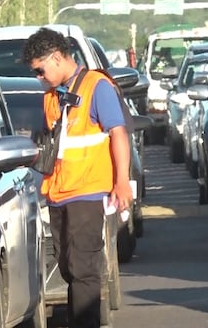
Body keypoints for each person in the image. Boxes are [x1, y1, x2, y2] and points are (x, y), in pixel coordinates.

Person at [21, 27, 132, 328]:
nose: (39, 77)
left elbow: (118, 133)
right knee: (69, 267)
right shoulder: (52, 96)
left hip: (88, 190)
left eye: (40, 70)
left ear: (56, 58)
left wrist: (121, 182)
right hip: (59, 192)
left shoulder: (97, 87)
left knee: (83, 268)